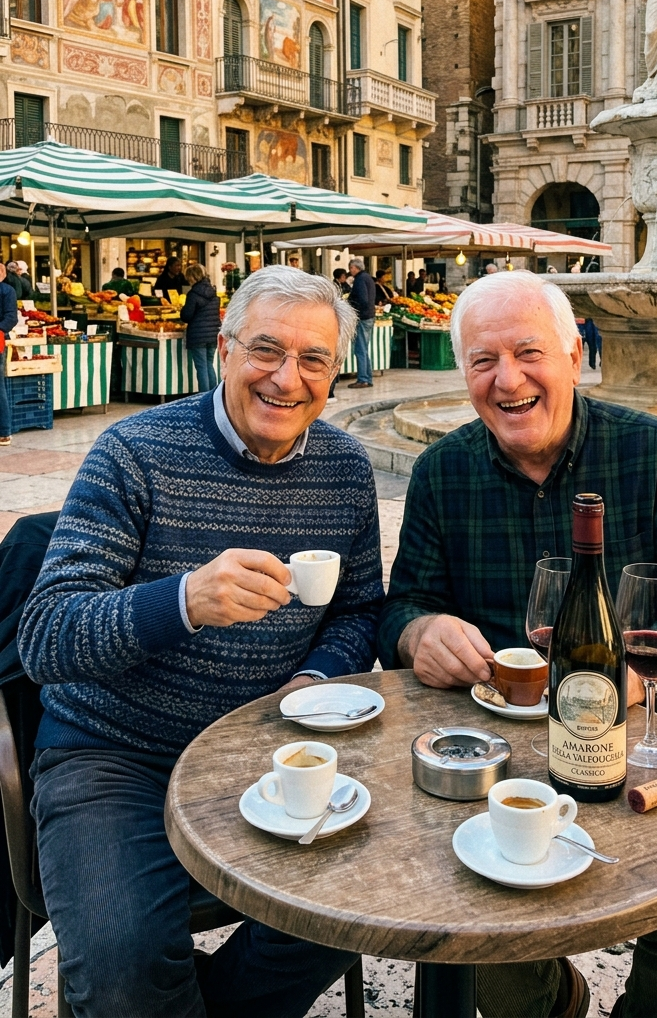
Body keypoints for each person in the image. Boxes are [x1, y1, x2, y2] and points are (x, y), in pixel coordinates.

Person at [378, 270, 657, 1018]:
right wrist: (419, 632)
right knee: (476, 930)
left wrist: (654, 679)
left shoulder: (651, 453)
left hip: (653, 724)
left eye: (529, 352)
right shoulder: (441, 471)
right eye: (483, 360)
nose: (508, 379)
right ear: (464, 374)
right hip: (498, 730)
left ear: (573, 355)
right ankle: (554, 1003)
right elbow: (403, 607)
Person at [18, 267, 384, 1018]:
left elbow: (359, 611)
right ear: (222, 350)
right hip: (114, 754)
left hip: (265, 753)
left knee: (359, 903)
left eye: (314, 359)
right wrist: (181, 601)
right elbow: (47, 635)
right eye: (267, 351)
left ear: (336, 371)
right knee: (127, 965)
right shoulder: (133, 451)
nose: (287, 379)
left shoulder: (345, 468)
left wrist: (317, 676)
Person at [181, 262, 221, 393]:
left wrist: (182, 311)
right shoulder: (213, 292)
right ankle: (214, 394)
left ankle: (204, 396)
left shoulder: (193, 294)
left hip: (198, 335)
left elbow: (187, 315)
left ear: (192, 277)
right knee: (209, 364)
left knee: (201, 366)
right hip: (213, 333)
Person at [347, 257, 376, 389]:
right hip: (369, 315)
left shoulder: (360, 279)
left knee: (360, 349)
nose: (350, 270)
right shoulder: (368, 278)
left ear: (355, 267)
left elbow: (363, 299)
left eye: (351, 268)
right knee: (364, 349)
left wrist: (352, 306)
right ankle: (367, 378)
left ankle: (363, 379)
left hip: (362, 317)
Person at [0, 263, 18, 446]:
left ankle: (4, 432)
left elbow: (11, 318)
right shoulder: (8, 290)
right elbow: (11, 317)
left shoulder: (7, 291)